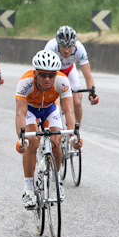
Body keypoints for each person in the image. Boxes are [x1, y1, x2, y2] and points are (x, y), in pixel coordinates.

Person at [16, 49, 82, 208]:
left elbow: (69, 111)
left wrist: (73, 135)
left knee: (56, 141)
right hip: (31, 110)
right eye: (43, 74)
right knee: (32, 141)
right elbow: (20, 114)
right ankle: (29, 189)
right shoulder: (25, 83)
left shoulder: (62, 81)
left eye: (51, 75)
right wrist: (21, 138)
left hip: (49, 109)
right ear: (36, 73)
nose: (47, 79)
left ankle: (56, 178)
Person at [45, 26, 99, 127]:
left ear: (74, 44)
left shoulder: (79, 48)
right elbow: (43, 73)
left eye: (70, 47)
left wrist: (92, 94)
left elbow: (88, 76)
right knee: (49, 101)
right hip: (53, 73)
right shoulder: (50, 47)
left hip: (69, 70)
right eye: (63, 47)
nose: (66, 50)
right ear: (58, 44)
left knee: (77, 102)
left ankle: (76, 132)